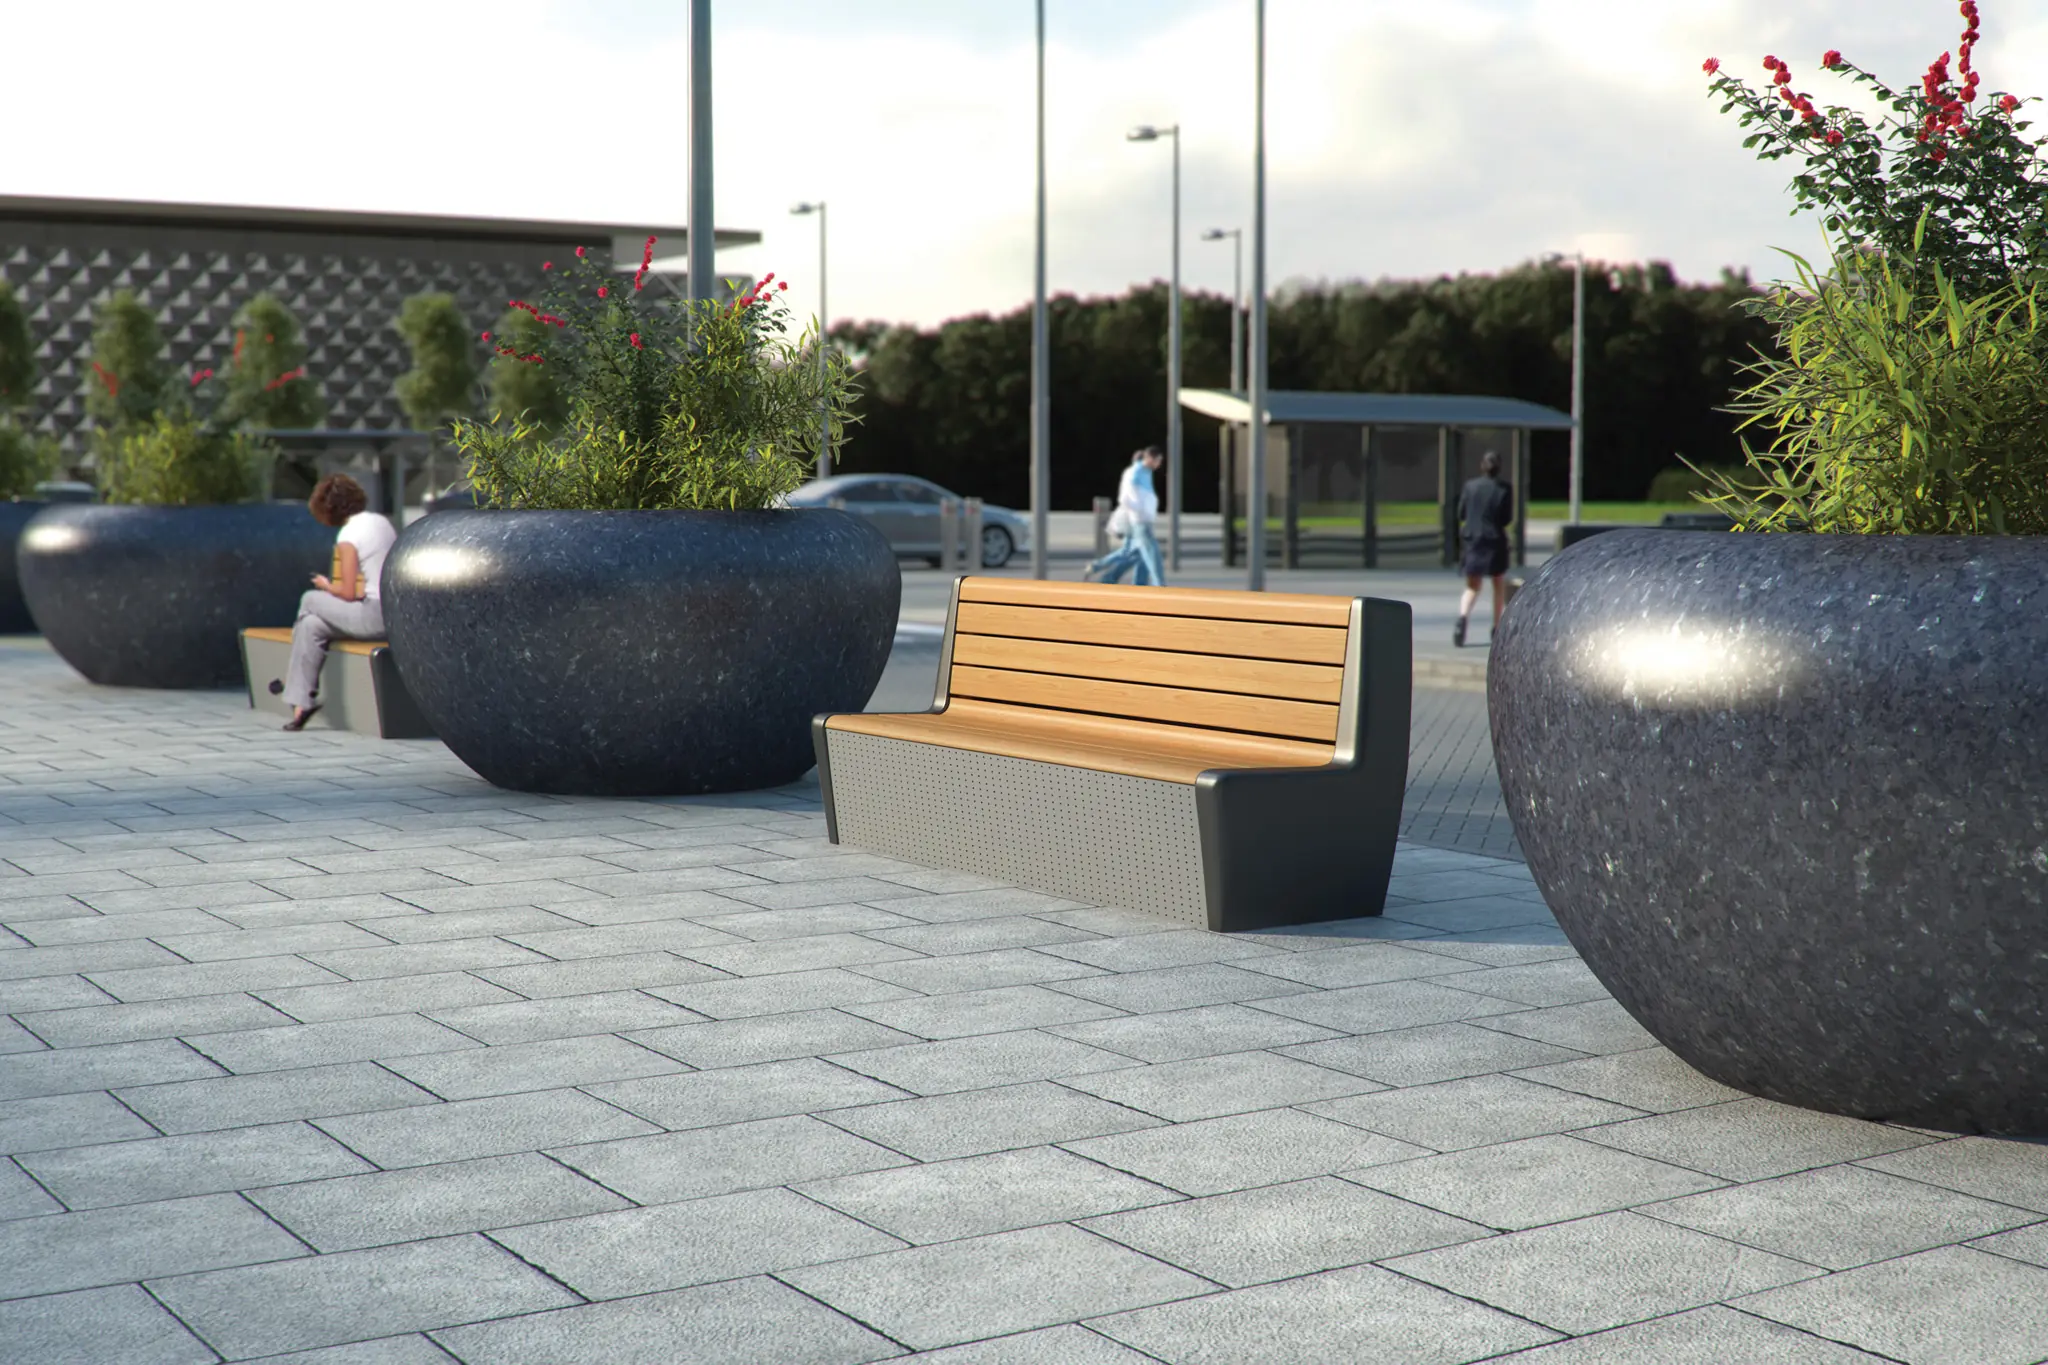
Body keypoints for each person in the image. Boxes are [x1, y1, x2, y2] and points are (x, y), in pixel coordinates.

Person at [282, 474, 397, 731]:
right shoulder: (380, 521)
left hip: (373, 617)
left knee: (309, 600)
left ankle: (295, 690)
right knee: (311, 625)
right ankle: (301, 705)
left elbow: (345, 591)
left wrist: (325, 585)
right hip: (392, 612)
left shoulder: (348, 534)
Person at [1454, 450, 1514, 647]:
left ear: (1482, 466)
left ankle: (1462, 619)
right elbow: (1506, 519)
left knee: (1472, 585)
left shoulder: (1470, 487)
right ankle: (1496, 628)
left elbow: (1461, 513)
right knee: (1497, 584)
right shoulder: (1504, 489)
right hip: (1494, 540)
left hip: (1473, 539)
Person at [1084, 445, 1166, 586]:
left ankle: (1107, 575)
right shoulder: (1136, 473)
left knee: (1135, 553)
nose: (1159, 464)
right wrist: (1141, 511)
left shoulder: (1145, 472)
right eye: (1158, 460)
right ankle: (1157, 585)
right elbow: (1127, 498)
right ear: (1149, 458)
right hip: (1136, 520)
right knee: (1148, 552)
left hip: (1138, 519)